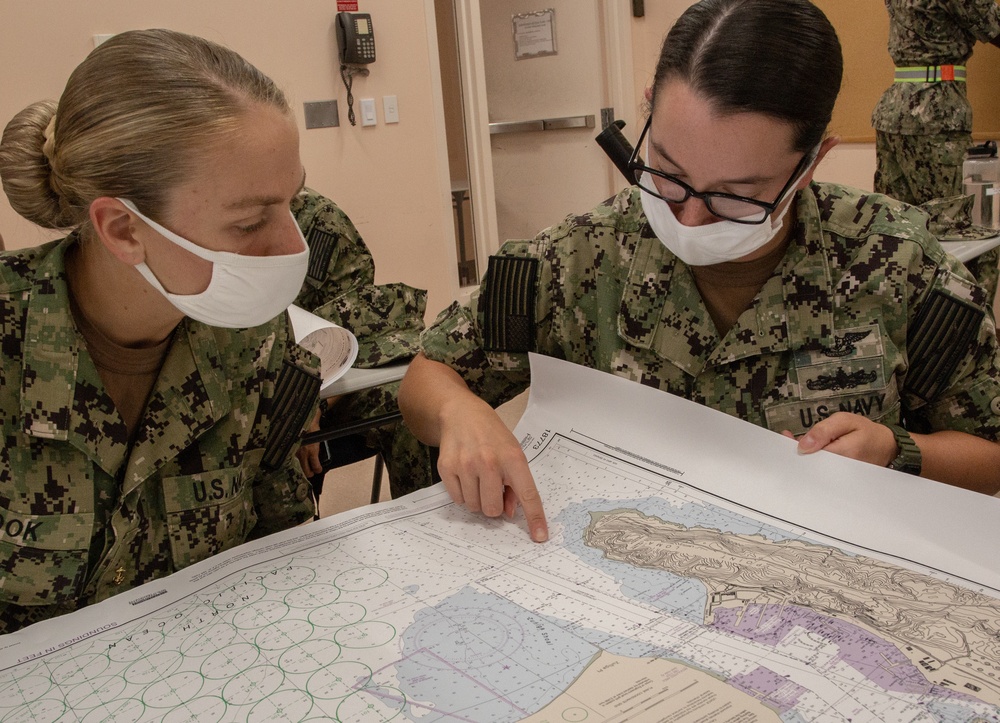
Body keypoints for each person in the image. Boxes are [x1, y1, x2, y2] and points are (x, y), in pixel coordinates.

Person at [398, 0, 1000, 544]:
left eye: (737, 195)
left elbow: (990, 450)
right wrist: (461, 412)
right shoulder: (582, 255)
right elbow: (427, 375)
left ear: (811, 162)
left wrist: (900, 452)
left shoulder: (895, 262)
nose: (689, 215)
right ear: (648, 113)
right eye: (667, 170)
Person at [0, 29, 321, 632]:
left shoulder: (253, 342)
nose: (290, 246)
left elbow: (276, 556)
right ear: (123, 228)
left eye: (292, 204)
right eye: (251, 222)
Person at [290, 188, 434, 502]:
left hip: (322, 387)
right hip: (243, 399)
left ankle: (430, 526)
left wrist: (312, 407)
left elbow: (348, 340)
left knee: (421, 399)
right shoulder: (191, 225)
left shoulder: (317, 221)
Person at [871, 0, 1000, 293]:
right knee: (962, 240)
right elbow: (993, 23)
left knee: (898, 230)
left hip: (895, 112)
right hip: (935, 115)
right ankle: (969, 335)